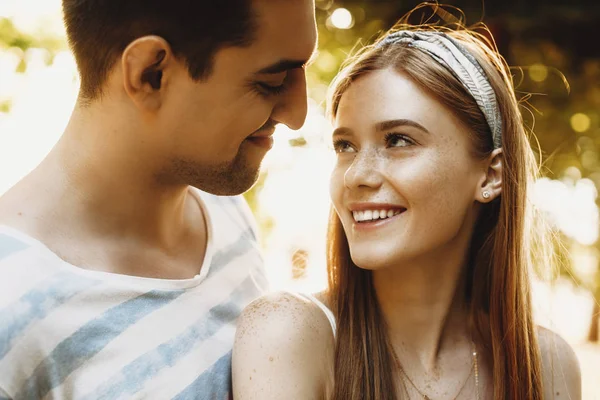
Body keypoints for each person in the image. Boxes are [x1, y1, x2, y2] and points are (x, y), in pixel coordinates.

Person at [232, 7, 582, 400]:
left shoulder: (547, 366)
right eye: (345, 146)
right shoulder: (289, 334)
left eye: (398, 140)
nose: (356, 175)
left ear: (490, 175)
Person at [0, 0, 317, 398]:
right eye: (271, 83)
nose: (297, 113)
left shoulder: (223, 213)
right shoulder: (10, 307)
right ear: (151, 72)